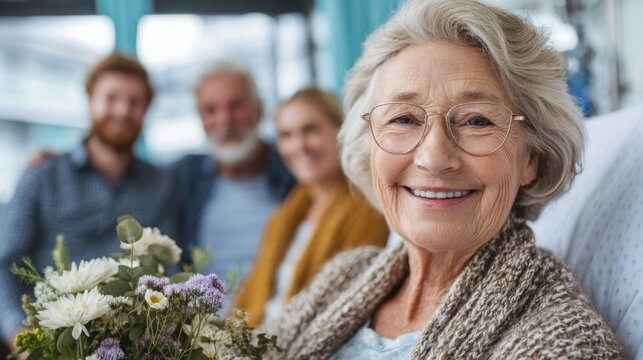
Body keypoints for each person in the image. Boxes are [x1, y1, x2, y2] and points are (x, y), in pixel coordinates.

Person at [261, 0, 626, 358]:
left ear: (532, 158)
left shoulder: (565, 343)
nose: (434, 158)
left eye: (476, 121)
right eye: (404, 119)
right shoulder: (346, 274)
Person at [0, 53, 178, 348]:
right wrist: (17, 333)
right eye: (111, 98)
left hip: (133, 341)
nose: (123, 110)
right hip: (49, 338)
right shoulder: (42, 176)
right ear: (90, 101)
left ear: (145, 110)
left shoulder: (161, 184)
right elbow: (5, 261)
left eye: (135, 102)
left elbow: (168, 267)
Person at [234, 87, 389, 327]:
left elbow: (348, 310)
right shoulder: (284, 216)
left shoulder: (368, 210)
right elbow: (248, 300)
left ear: (341, 130)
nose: (299, 146)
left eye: (310, 130)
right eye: (286, 135)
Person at [174, 61, 294, 283]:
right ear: (201, 120)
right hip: (203, 313)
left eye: (236, 106)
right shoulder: (185, 177)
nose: (225, 121)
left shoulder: (293, 170)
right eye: (211, 110)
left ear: (259, 110)